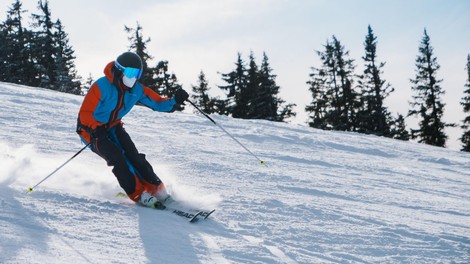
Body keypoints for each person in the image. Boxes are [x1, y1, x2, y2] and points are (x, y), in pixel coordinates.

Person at [76, 51, 189, 209]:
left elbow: (157, 103)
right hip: (91, 131)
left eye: (137, 73)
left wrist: (175, 101)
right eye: (130, 72)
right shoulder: (101, 86)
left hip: (113, 126)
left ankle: (157, 190)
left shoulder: (136, 89)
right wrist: (95, 129)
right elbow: (85, 114)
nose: (133, 77)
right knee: (118, 158)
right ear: (119, 70)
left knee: (134, 156)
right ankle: (138, 194)